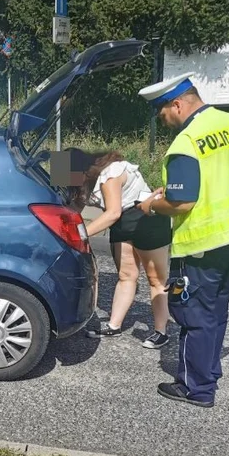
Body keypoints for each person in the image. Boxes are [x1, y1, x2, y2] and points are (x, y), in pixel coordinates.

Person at [136, 72, 229, 408]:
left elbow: (183, 203)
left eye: (161, 112)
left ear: (177, 104)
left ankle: (196, 389)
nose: (161, 119)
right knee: (216, 310)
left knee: (193, 314)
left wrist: (151, 205)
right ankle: (209, 373)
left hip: (204, 242)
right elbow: (219, 175)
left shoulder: (186, 142)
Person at [66, 149, 172, 348]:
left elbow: (112, 212)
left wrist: (79, 234)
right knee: (126, 275)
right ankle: (114, 325)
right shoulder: (82, 181)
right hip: (122, 222)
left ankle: (161, 332)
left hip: (146, 220)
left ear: (81, 171)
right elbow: (74, 208)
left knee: (156, 279)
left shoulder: (110, 173)